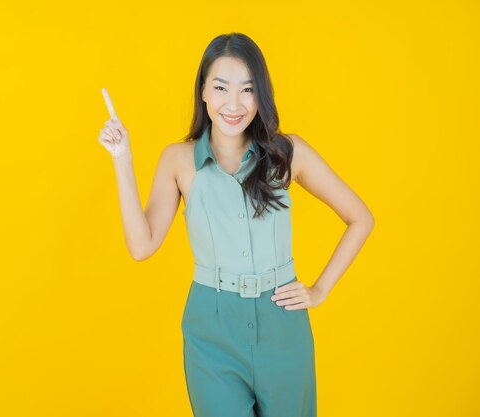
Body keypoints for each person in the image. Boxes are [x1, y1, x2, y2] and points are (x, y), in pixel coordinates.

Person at [98, 32, 374, 417]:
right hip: (211, 329)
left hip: (283, 325)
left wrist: (320, 289)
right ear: (204, 93)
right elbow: (141, 246)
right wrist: (122, 160)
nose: (234, 103)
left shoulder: (287, 154)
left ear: (260, 94)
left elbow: (360, 217)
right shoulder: (178, 160)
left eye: (247, 89)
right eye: (221, 88)